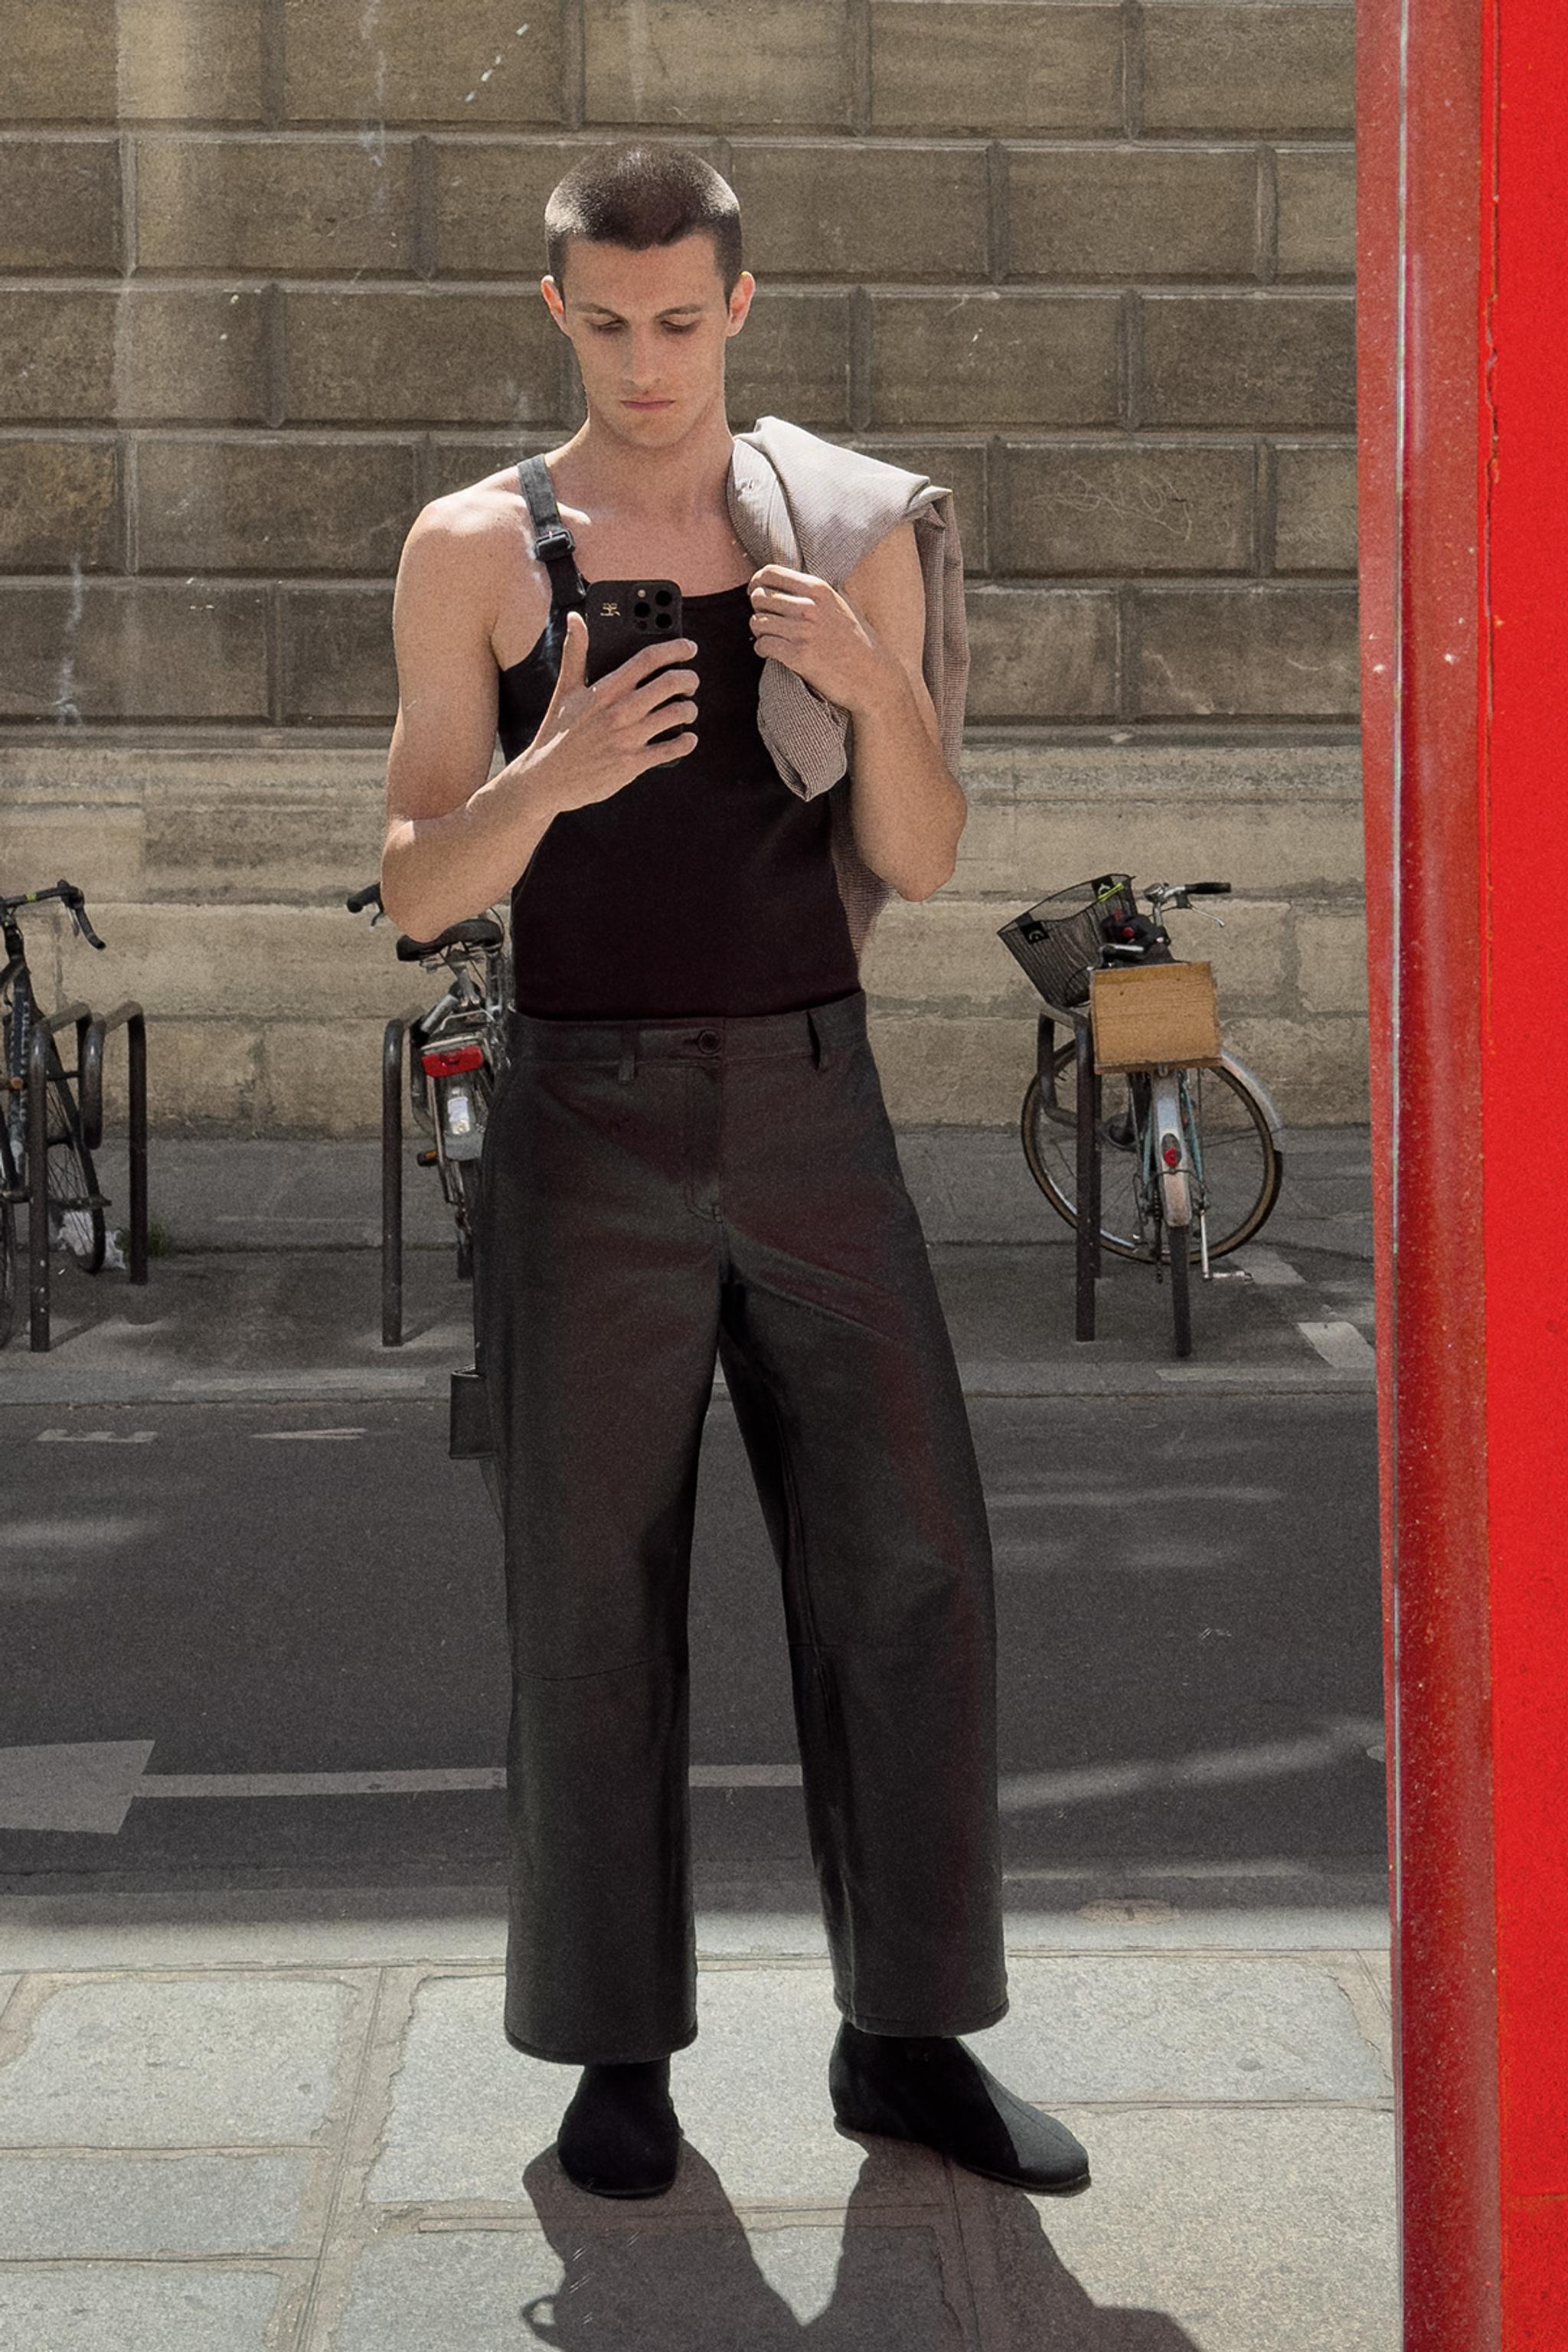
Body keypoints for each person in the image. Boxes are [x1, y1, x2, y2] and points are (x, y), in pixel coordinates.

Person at [380, 141, 1090, 2206]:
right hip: (583, 1113)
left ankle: (913, 2042)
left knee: (914, 1567)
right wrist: (553, 773)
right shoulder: (476, 550)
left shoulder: (837, 542)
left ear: (739, 310)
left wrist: (874, 688)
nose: (647, 360)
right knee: (590, 1597)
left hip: (810, 1097)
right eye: (606, 324)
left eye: (680, 321)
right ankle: (618, 2069)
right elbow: (422, 889)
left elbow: (932, 859)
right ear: (558, 316)